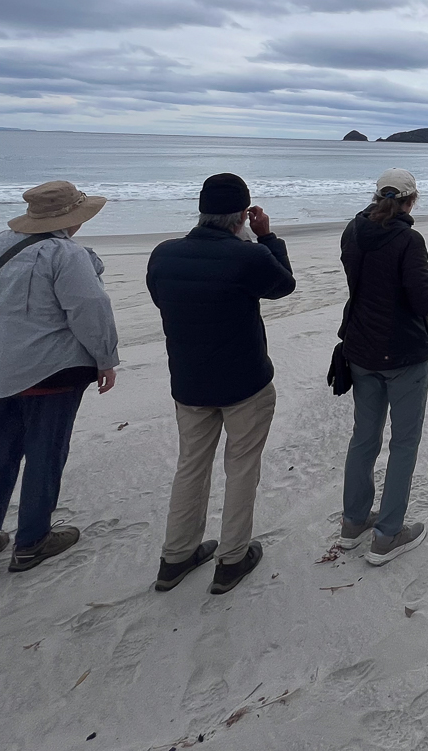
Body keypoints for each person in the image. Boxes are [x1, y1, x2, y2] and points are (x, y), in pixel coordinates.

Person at [0, 180, 118, 572]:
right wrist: (105, 359)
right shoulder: (67, 254)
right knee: (45, 455)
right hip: (50, 371)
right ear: (72, 219)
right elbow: (89, 308)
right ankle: (31, 541)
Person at [146, 173, 295, 595]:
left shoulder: (164, 255)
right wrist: (267, 238)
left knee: (190, 466)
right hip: (244, 381)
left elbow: (161, 297)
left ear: (202, 210)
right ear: (242, 215)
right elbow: (283, 285)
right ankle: (231, 559)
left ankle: (176, 556)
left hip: (190, 381)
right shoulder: (247, 256)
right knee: (241, 467)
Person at [338, 169, 428, 565]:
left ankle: (353, 522)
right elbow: (424, 300)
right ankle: (387, 534)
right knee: (403, 443)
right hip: (403, 355)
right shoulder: (407, 239)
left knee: (364, 438)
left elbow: (363, 282)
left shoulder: (353, 231)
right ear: (410, 201)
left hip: (361, 349)